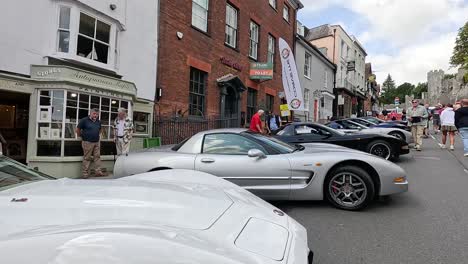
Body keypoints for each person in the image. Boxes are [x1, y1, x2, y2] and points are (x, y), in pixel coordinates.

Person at [76, 108, 105, 178]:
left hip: (96, 142)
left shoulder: (98, 122)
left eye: (97, 114)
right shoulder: (84, 120)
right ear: (90, 113)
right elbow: (77, 129)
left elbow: (100, 130)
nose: (95, 115)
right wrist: (82, 136)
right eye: (94, 114)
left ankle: (98, 172)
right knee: (87, 158)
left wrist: (97, 135)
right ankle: (85, 173)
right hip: (87, 142)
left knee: (97, 157)